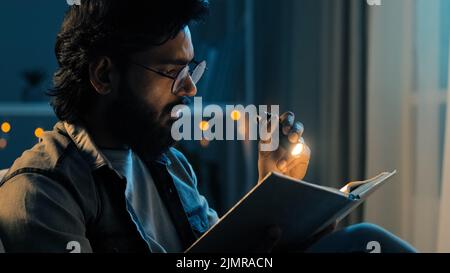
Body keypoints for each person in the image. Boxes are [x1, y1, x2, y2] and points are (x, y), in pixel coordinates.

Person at [0, 0, 415, 253]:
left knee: (363, 241)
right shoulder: (40, 192)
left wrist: (273, 195)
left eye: (191, 69)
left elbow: (223, 253)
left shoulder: (170, 165)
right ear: (104, 75)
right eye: (172, 71)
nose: (191, 88)